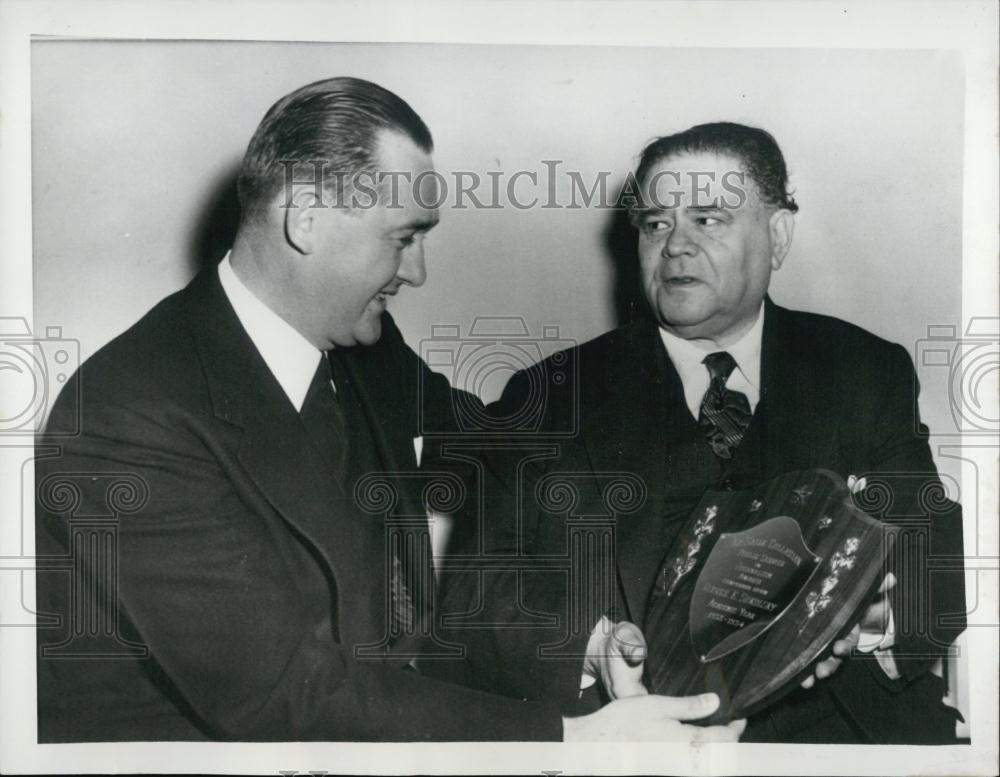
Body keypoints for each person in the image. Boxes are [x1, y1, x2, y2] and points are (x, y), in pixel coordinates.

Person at [34, 78, 744, 743]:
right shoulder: (127, 417)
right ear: (305, 219)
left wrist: (585, 627)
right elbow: (281, 693)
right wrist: (567, 740)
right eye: (404, 237)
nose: (417, 271)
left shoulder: (358, 342)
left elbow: (498, 446)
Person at [429, 122, 967, 743]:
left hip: (840, 738)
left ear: (778, 234)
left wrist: (871, 618)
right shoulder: (546, 394)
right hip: (635, 738)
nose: (676, 246)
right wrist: (594, 646)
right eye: (656, 224)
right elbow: (476, 595)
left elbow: (933, 542)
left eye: (708, 219)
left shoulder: (865, 370)